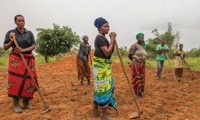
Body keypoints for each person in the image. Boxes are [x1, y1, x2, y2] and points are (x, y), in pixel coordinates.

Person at [3, 15, 38, 113]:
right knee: (16, 81)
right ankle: (16, 105)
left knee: (28, 81)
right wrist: (11, 40)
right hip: (16, 61)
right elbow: (5, 47)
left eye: (23, 20)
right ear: (15, 22)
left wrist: (23, 50)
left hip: (28, 59)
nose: (22, 22)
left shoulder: (29, 33)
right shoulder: (11, 33)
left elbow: (33, 46)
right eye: (19, 21)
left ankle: (26, 104)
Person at [92, 17, 117, 120]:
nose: (107, 28)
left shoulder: (103, 38)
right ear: (99, 28)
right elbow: (107, 52)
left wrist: (112, 40)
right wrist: (112, 39)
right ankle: (105, 116)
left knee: (99, 88)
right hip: (101, 66)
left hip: (103, 66)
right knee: (104, 88)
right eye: (105, 26)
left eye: (108, 26)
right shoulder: (100, 38)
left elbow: (111, 51)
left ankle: (95, 111)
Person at [128, 33, 147, 97]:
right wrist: (135, 61)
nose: (141, 39)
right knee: (136, 77)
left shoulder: (143, 46)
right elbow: (129, 55)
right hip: (136, 64)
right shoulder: (134, 45)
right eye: (140, 37)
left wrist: (141, 61)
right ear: (137, 38)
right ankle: (136, 91)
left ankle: (140, 91)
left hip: (142, 64)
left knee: (141, 77)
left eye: (142, 37)